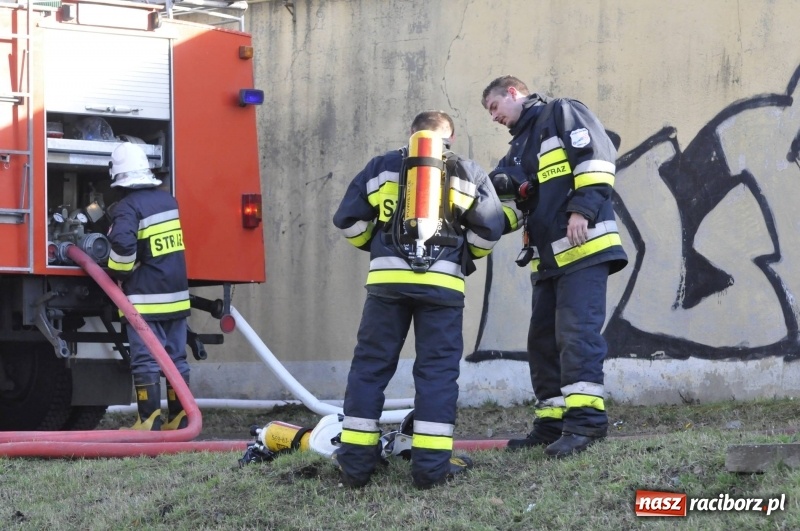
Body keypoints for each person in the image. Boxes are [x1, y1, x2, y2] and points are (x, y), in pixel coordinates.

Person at [332, 111, 505, 489]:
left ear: (411, 134)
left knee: (370, 368)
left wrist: (379, 248)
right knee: (437, 373)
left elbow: (348, 221)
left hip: (386, 285)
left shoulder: (380, 167)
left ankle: (356, 466)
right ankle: (431, 469)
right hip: (443, 287)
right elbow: (491, 230)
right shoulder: (467, 170)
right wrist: (462, 256)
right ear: (450, 138)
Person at [481, 76, 628, 457]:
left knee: (576, 335)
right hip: (549, 260)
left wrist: (581, 210)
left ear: (513, 92)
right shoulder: (518, 150)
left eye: (494, 107)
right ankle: (551, 424)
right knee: (543, 342)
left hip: (584, 247)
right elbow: (512, 209)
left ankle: (586, 425)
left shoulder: (561, 112)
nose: (493, 117)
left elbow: (597, 157)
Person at [106, 142, 192, 431]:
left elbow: (122, 245)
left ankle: (149, 420)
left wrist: (118, 271)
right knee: (176, 358)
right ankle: (180, 418)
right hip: (177, 297)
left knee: (146, 360)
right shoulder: (169, 201)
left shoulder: (127, 207)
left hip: (145, 300)